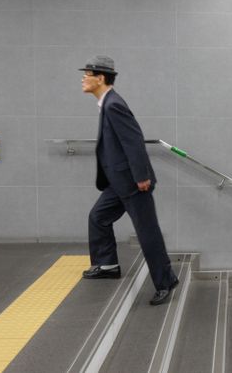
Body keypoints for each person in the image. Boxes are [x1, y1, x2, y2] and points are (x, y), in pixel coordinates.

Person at [79, 55, 178, 306]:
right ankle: (107, 264)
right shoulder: (107, 103)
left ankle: (165, 282)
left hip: (134, 182)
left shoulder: (114, 105)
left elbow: (134, 141)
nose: (83, 78)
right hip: (118, 181)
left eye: (87, 75)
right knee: (98, 217)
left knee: (147, 233)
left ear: (100, 78)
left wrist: (142, 176)